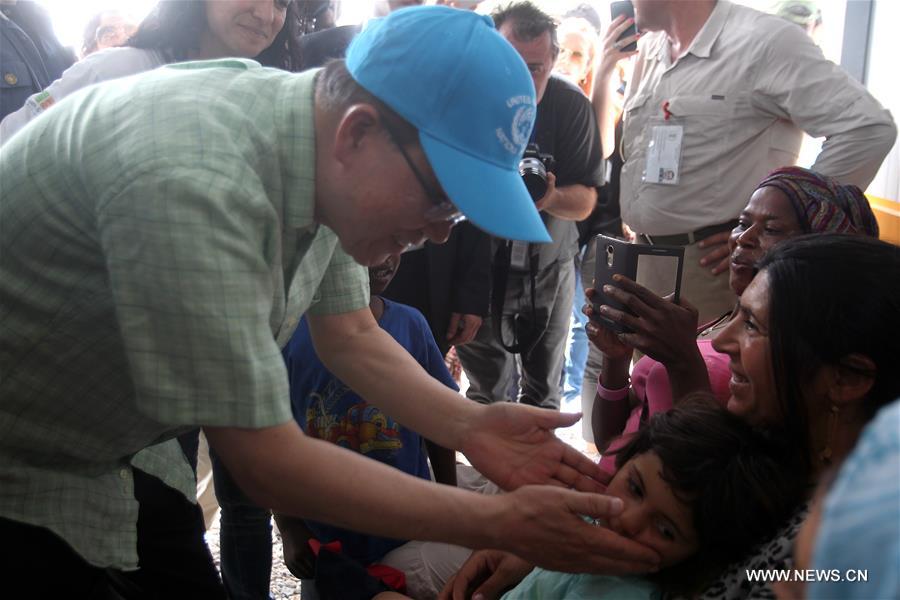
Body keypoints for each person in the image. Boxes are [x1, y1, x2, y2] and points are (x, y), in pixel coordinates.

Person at [0, 6, 660, 597]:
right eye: (441, 201)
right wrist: (498, 521)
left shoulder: (312, 149)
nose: (435, 233)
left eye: (456, 218)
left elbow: (349, 335)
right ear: (357, 132)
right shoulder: (193, 174)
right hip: (24, 466)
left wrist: (467, 425)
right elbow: (264, 461)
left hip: (114, 453)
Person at [446, 233, 900, 600]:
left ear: (846, 379)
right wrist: (547, 554)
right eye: (735, 319)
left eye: (755, 326)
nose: (721, 345)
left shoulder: (856, 551)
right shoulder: (763, 443)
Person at [593, 0, 896, 326]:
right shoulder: (649, 50)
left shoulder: (764, 41)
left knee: (707, 375)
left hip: (713, 269)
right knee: (646, 377)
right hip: (644, 257)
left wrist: (779, 227)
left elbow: (867, 129)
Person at [585, 167, 881, 481]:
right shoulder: (714, 323)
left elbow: (713, 482)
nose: (743, 239)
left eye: (771, 229)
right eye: (742, 223)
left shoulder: (783, 359)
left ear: (813, 250)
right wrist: (616, 360)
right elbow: (611, 442)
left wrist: (683, 360)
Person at [440, 400, 804, 600]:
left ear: (696, 556)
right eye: (635, 488)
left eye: (664, 529)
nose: (628, 520)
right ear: (625, 461)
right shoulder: (585, 529)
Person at [457, 1, 603, 411]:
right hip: (481, 268)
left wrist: (551, 197)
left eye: (535, 68)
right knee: (486, 395)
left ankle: (536, 474)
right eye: (508, 62)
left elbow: (587, 200)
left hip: (549, 268)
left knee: (544, 395)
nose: (520, 79)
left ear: (554, 61)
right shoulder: (467, 102)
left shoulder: (570, 105)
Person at [0, 0, 301, 143]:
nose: (265, 14)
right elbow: (11, 143)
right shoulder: (117, 71)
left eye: (282, 2)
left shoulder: (268, 105)